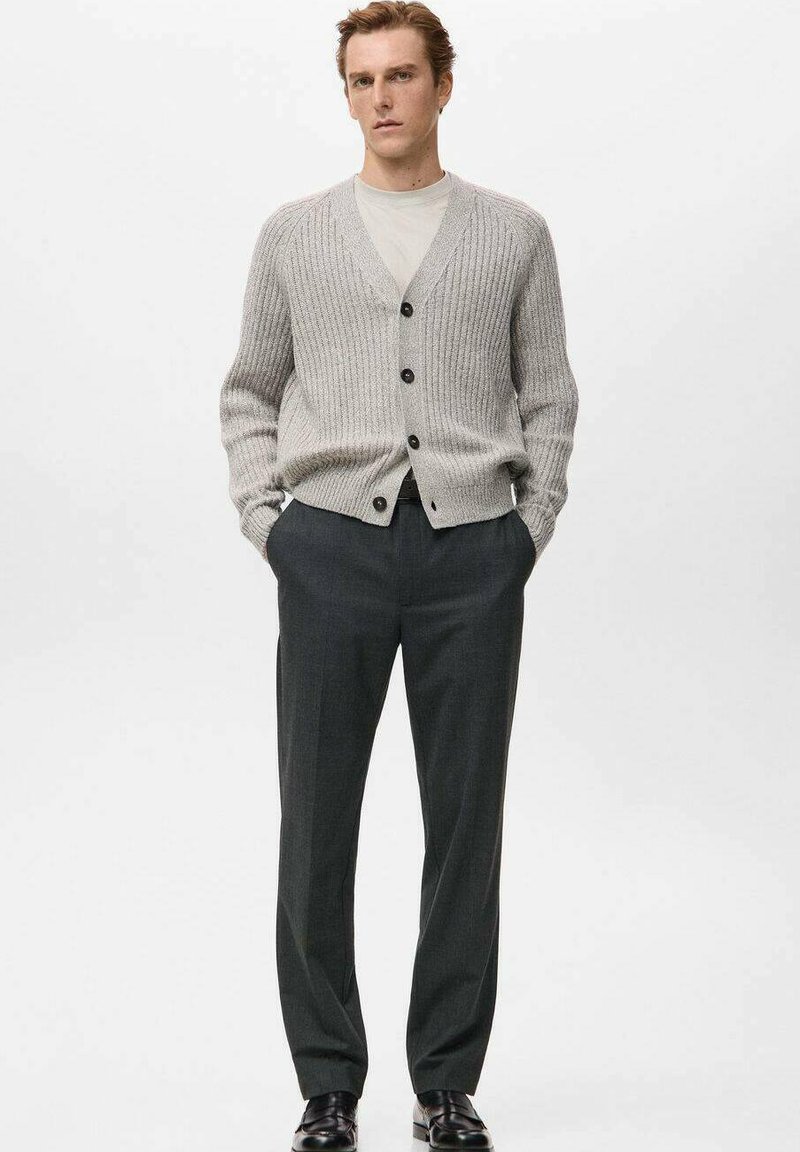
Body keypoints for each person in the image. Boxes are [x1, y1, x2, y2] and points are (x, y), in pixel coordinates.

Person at [219, 3, 579, 1148]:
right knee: (316, 820)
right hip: (328, 547)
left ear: (442, 86)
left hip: (473, 552)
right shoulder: (293, 236)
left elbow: (548, 395)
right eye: (361, 79)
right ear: (346, 93)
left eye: (401, 76)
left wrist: (525, 530)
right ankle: (328, 1084)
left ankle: (444, 1085)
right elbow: (249, 389)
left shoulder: (512, 234)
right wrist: (270, 524)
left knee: (464, 824)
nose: (380, 97)